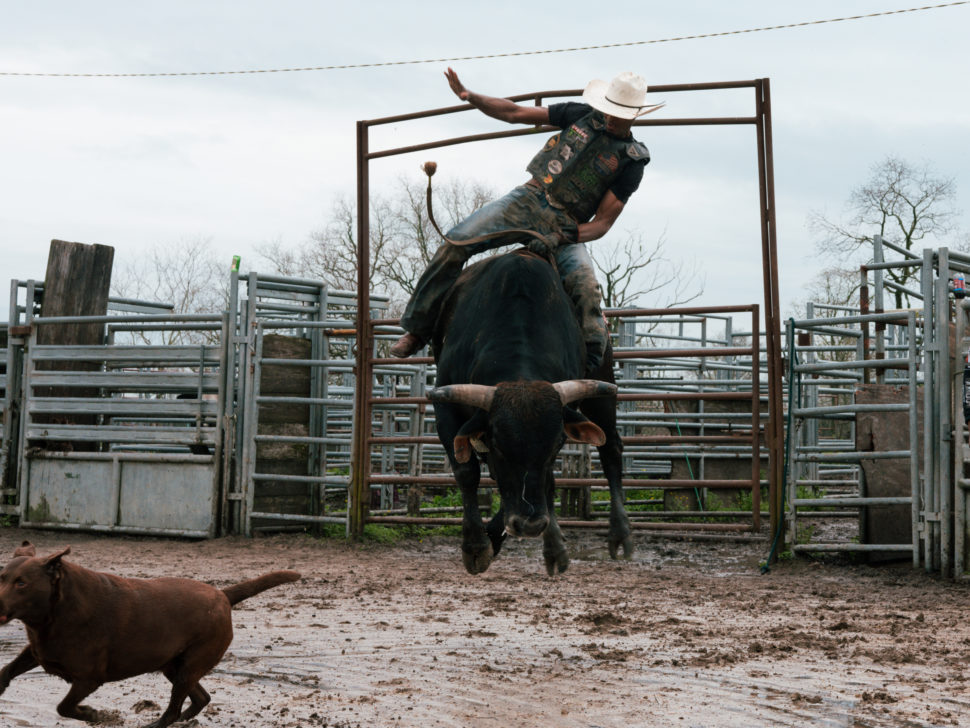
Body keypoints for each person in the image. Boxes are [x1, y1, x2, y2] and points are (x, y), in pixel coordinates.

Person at [391, 67, 662, 373]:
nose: (611, 117)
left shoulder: (631, 159)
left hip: (566, 224)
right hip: (526, 200)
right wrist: (471, 97)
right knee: (456, 242)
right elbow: (516, 112)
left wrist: (563, 236)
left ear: (635, 115)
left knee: (586, 289)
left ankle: (592, 369)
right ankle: (418, 328)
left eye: (619, 113)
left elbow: (602, 223)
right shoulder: (580, 114)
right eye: (610, 109)